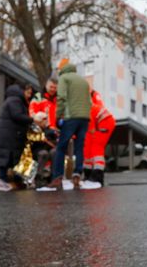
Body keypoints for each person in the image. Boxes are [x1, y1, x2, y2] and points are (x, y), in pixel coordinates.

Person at [46, 59, 91, 190]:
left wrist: (58, 116)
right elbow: (89, 102)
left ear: (62, 69)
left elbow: (61, 98)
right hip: (84, 118)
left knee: (61, 147)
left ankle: (58, 178)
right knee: (79, 147)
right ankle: (77, 174)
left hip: (71, 117)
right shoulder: (83, 81)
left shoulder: (64, 78)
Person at [0, 83, 33, 191]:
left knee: (10, 156)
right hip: (10, 134)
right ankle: (3, 179)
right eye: (28, 93)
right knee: (9, 155)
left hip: (10, 133)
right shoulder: (15, 100)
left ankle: (11, 180)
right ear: (22, 91)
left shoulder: (12, 99)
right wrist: (32, 119)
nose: (29, 96)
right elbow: (17, 115)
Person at [83, 90, 115, 186]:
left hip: (104, 122)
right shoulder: (90, 98)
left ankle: (97, 174)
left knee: (96, 147)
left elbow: (89, 117)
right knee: (87, 148)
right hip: (100, 121)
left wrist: (92, 129)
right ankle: (88, 174)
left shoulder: (84, 104)